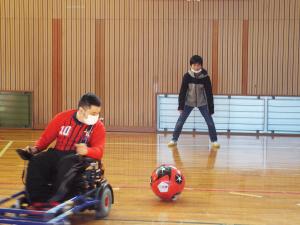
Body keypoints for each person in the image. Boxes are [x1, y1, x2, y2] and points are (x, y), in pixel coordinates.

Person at [20, 92, 106, 209]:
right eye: (93, 113)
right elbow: (46, 138)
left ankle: (54, 201)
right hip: (58, 153)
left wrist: (87, 151)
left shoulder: (98, 127)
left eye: (98, 113)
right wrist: (35, 149)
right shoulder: (62, 117)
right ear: (81, 110)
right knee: (36, 161)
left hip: (77, 157)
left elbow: (99, 151)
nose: (96, 116)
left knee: (66, 164)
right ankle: (37, 200)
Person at [168, 55, 220, 149]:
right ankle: (174, 139)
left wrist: (211, 108)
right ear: (191, 65)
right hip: (189, 102)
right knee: (180, 122)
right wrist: (181, 106)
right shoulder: (187, 76)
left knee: (210, 122)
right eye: (194, 65)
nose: (196, 67)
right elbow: (182, 92)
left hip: (202, 103)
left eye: (198, 65)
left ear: (201, 65)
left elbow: (209, 93)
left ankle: (214, 140)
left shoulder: (206, 77)